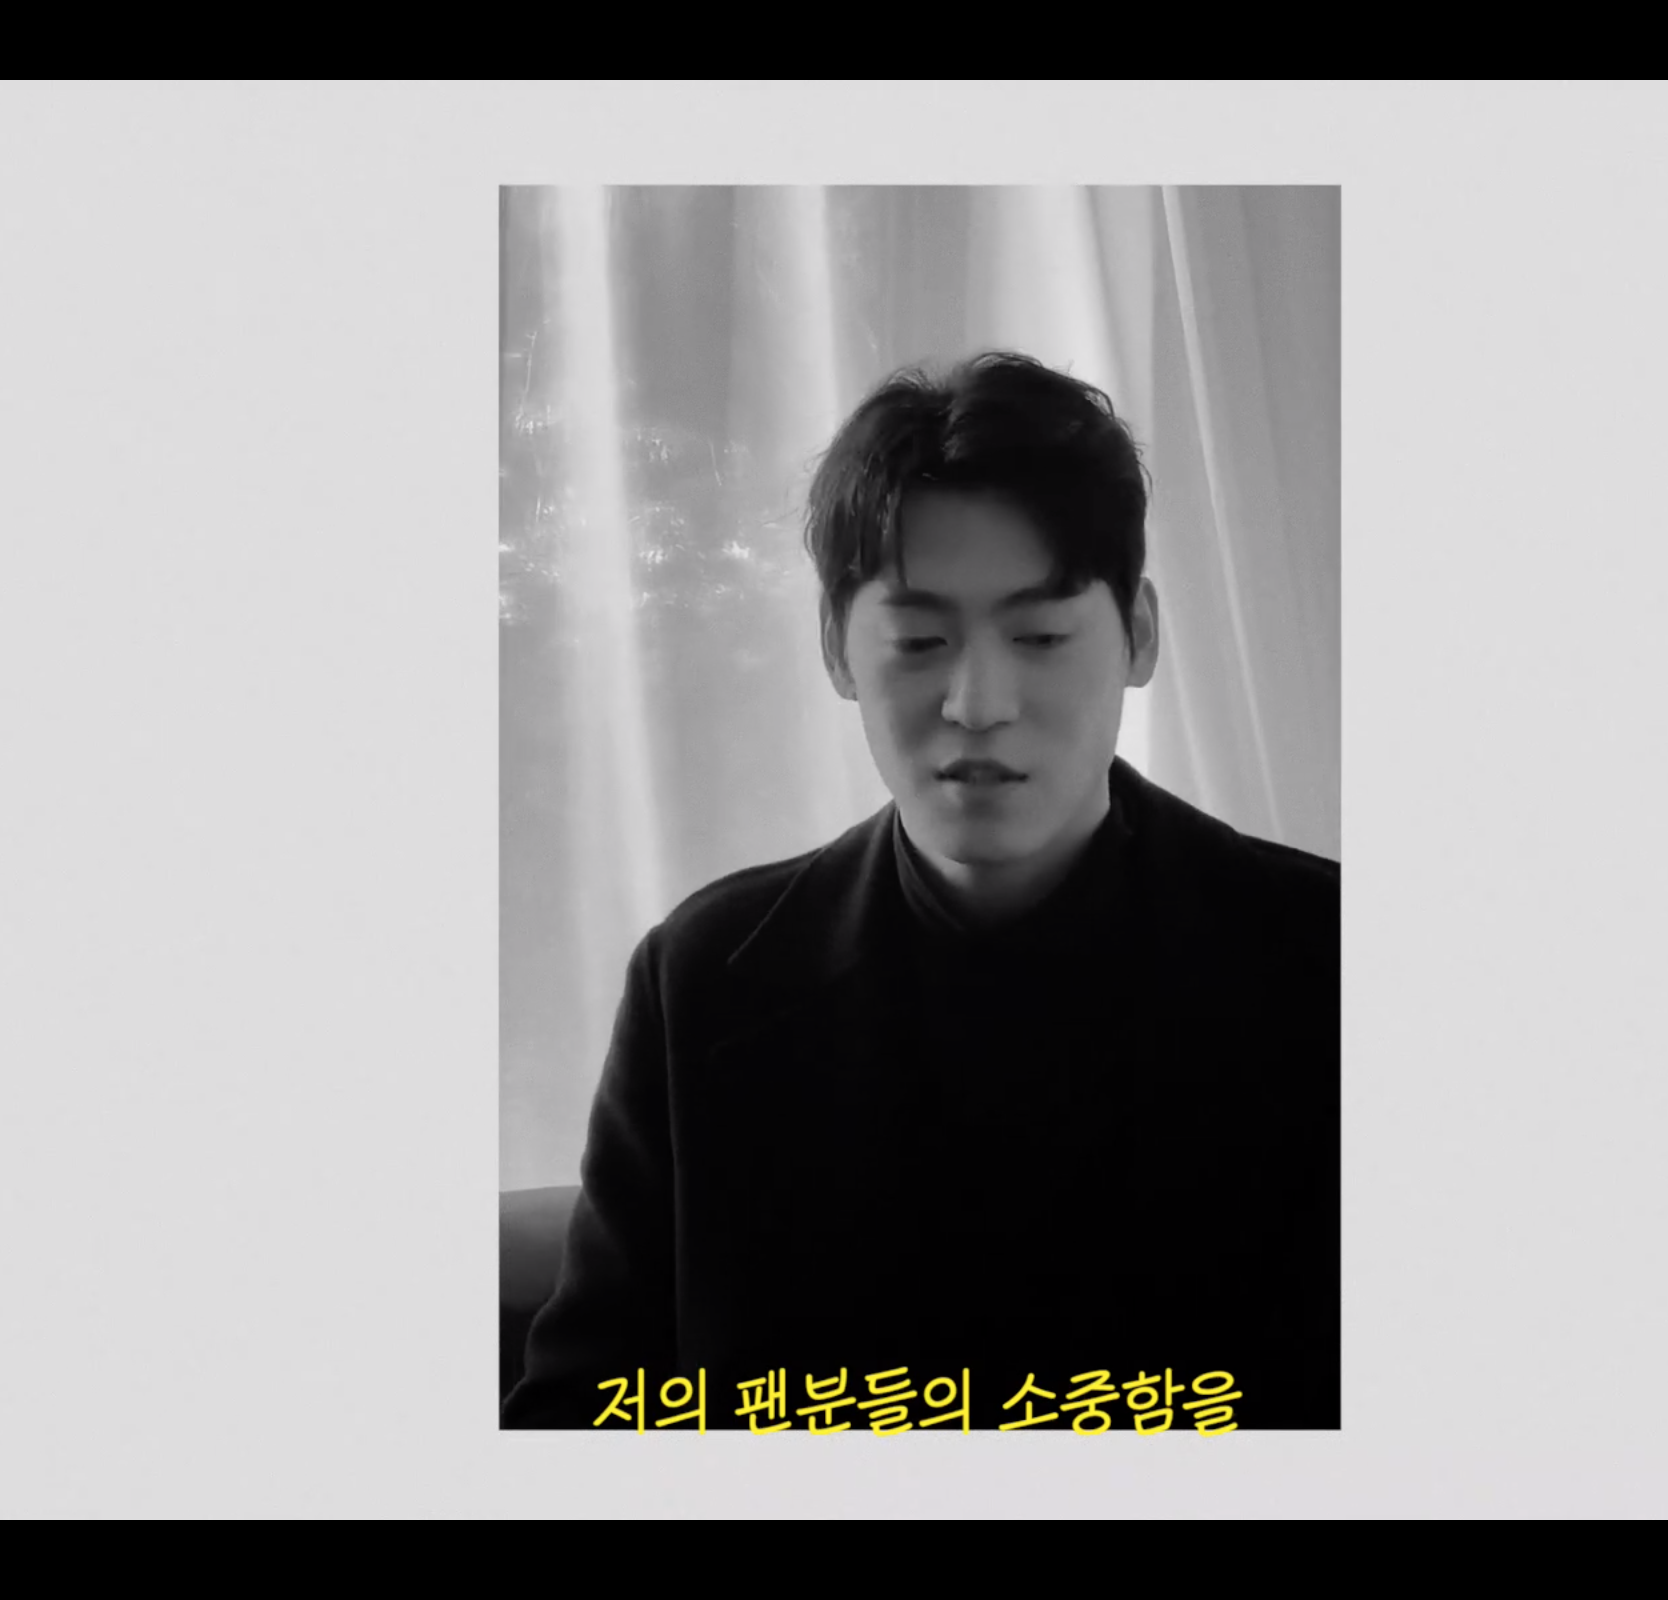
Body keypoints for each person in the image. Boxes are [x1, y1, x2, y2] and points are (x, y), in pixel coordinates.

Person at [501, 352, 1340, 1431]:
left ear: (1138, 632)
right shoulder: (707, 983)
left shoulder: (1319, 965)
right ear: (837, 650)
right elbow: (584, 1411)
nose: (978, 703)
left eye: (1041, 637)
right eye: (919, 642)